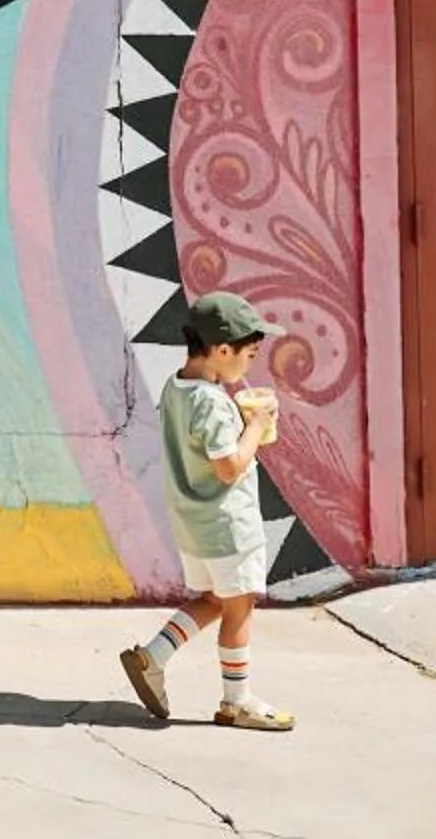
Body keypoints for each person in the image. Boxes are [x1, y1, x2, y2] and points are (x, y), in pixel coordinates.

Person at [120, 289, 292, 732]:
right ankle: (238, 701)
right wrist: (255, 425)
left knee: (214, 599)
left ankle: (152, 657)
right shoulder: (213, 403)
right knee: (239, 609)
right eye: (248, 355)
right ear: (221, 350)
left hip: (193, 526)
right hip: (227, 525)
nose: (250, 365)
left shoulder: (178, 388)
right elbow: (230, 466)